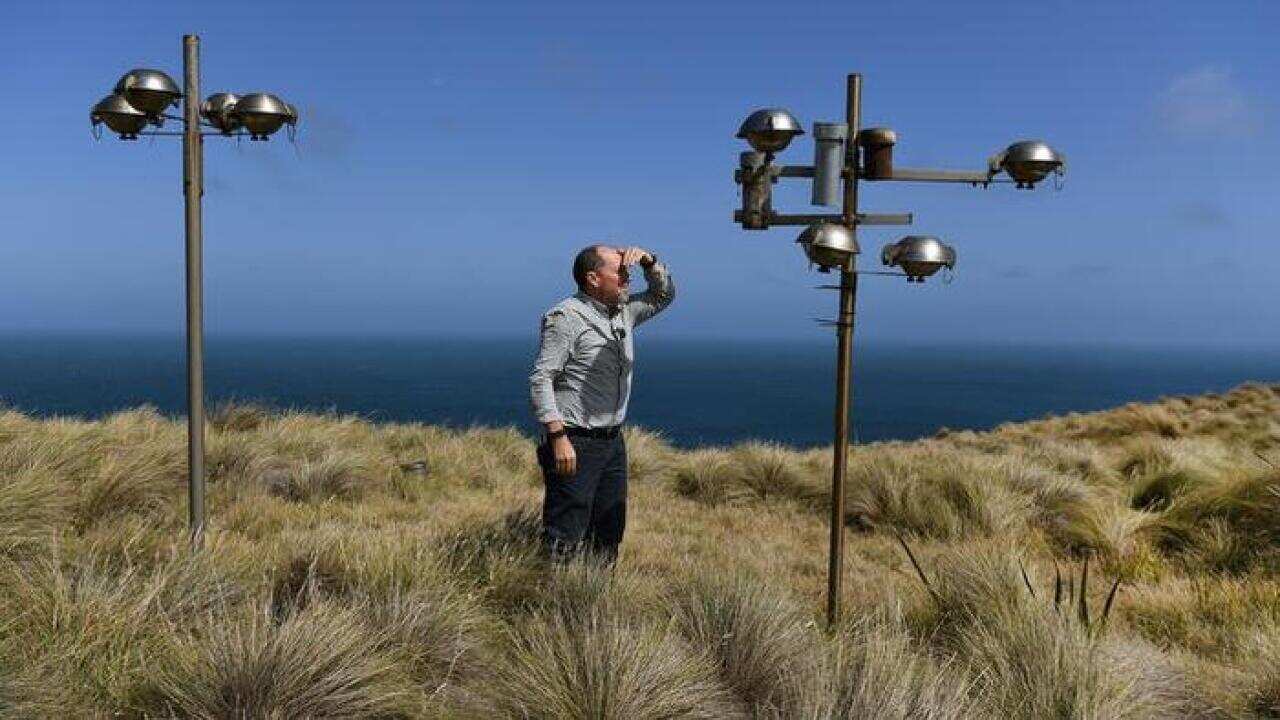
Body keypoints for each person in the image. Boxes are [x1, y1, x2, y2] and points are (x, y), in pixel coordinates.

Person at [528, 245, 675, 563]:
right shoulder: (566, 316)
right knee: (566, 531)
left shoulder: (623, 311)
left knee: (609, 529)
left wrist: (650, 261)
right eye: (620, 272)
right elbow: (541, 379)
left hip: (611, 440)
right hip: (573, 438)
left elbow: (662, 295)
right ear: (593, 278)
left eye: (628, 273)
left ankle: (595, 602)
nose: (627, 279)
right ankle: (552, 603)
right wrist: (557, 437)